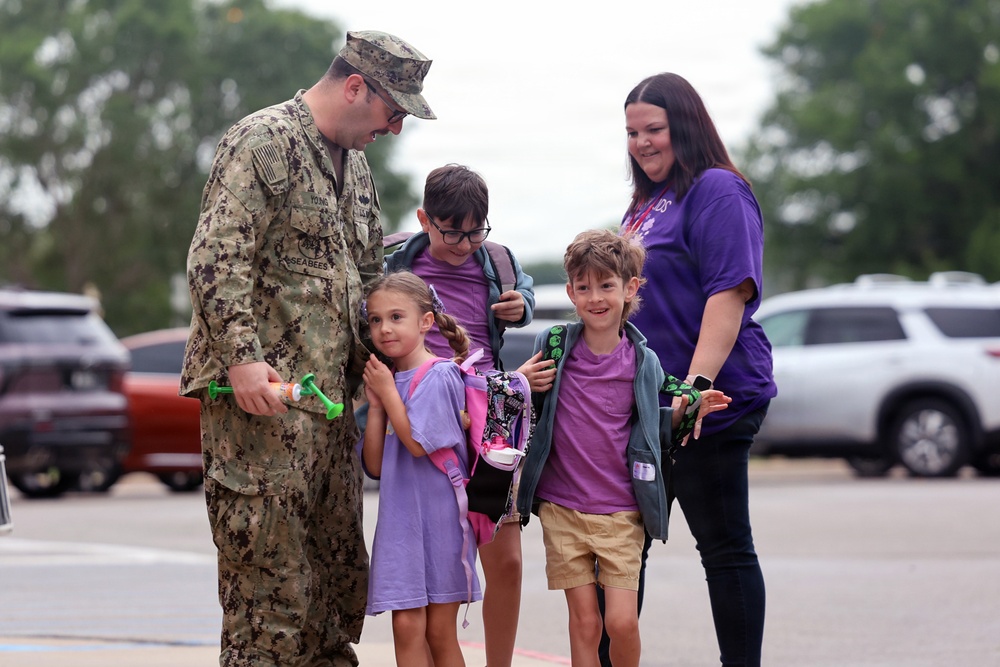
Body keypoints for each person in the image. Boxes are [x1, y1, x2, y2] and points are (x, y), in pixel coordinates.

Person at [179, 30, 436, 667]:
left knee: (333, 596)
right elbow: (217, 256)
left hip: (328, 421)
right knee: (270, 610)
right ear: (355, 87)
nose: (396, 128)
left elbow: (369, 282)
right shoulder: (263, 142)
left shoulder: (356, 171)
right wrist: (241, 357)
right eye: (393, 112)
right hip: (262, 423)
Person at [612, 72, 778, 667]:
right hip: (650, 406)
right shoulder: (645, 205)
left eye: (653, 129)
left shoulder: (718, 190)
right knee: (622, 553)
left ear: (685, 125)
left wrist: (693, 389)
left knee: (724, 548)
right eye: (632, 132)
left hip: (710, 402)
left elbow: (729, 293)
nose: (642, 142)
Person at [516, 229, 730, 667]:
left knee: (621, 623)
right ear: (572, 292)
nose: (595, 297)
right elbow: (521, 407)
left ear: (630, 288)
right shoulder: (554, 346)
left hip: (621, 509)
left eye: (606, 285)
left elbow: (653, 428)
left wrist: (690, 410)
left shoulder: (642, 360)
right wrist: (522, 381)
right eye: (584, 286)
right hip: (562, 506)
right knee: (585, 624)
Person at [384, 163, 535, 667]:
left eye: (476, 231)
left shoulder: (496, 260)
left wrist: (521, 305)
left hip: (489, 415)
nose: (464, 243)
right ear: (426, 220)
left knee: (506, 558)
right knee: (432, 556)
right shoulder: (396, 259)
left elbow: (525, 289)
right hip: (422, 412)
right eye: (452, 232)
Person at [359, 271, 481, 667]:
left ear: (425, 322)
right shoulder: (389, 381)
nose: (384, 328)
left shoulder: (440, 375)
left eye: (396, 317)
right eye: (375, 320)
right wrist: (377, 406)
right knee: (406, 628)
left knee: (438, 632)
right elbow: (375, 467)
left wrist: (389, 393)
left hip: (442, 521)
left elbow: (416, 444)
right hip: (400, 522)